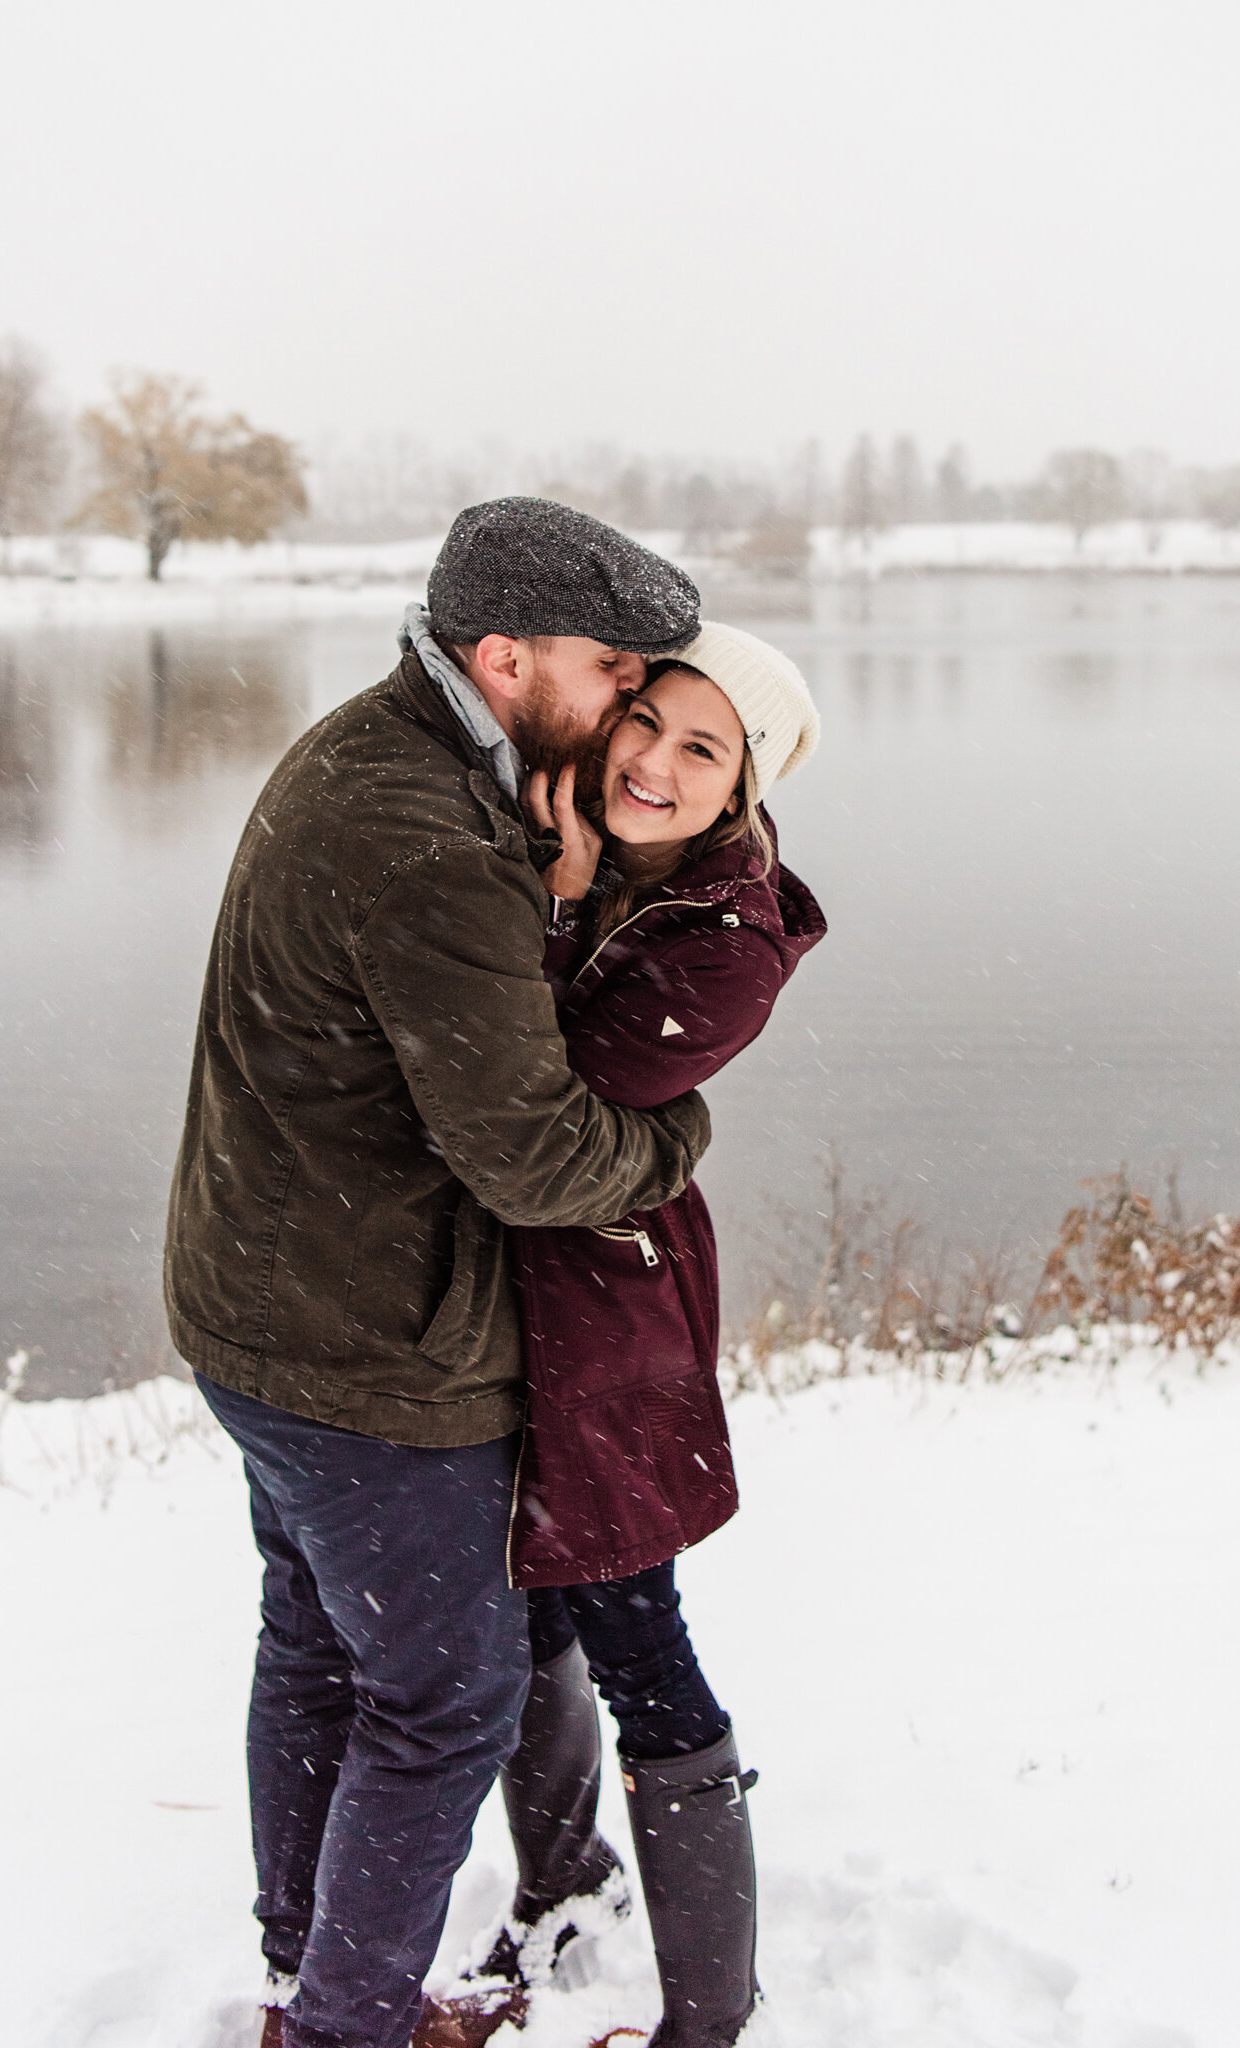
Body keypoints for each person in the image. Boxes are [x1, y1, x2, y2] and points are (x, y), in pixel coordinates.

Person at [162, 498, 717, 2048]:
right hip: (368, 1356)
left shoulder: (382, 753)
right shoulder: (426, 838)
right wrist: (675, 1142)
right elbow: (535, 1156)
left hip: (260, 1312)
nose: (632, 702)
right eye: (615, 667)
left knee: (320, 1645)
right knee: (446, 1695)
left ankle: (306, 1969)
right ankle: (343, 2023)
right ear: (504, 653)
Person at [421, 624, 824, 2048]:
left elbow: (522, 1094)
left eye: (701, 750)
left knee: (633, 1627)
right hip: (496, 1311)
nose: (650, 761)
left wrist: (558, 891)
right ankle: (565, 1882)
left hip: (607, 1324)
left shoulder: (730, 940)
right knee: (529, 1608)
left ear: (741, 792)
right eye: (646, 719)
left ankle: (712, 2014)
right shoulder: (555, 822)